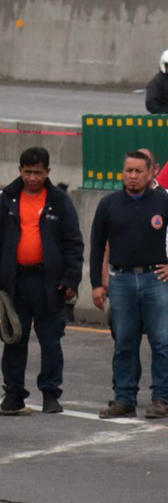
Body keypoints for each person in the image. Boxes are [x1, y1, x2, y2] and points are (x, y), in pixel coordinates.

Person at [0, 147, 84, 415]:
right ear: (20, 171)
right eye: (27, 172)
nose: (32, 178)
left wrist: (71, 279)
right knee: (14, 339)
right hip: (15, 283)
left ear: (47, 172)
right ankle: (14, 393)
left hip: (49, 283)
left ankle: (50, 392)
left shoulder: (59, 201)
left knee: (51, 339)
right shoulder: (7, 199)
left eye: (38, 172)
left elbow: (73, 242)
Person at [89, 150, 168, 418]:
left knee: (162, 341)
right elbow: (97, 245)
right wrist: (96, 284)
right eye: (128, 171)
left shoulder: (163, 200)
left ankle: (162, 398)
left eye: (138, 171)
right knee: (124, 342)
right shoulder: (109, 204)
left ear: (151, 173)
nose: (133, 176)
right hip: (121, 280)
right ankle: (124, 399)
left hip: (155, 279)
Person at [146, 49, 168, 114]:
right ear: (164, 66)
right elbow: (151, 103)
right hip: (163, 118)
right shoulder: (157, 82)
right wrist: (163, 113)